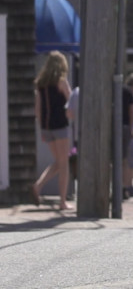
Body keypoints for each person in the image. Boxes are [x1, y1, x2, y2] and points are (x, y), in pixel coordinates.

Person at [31, 51, 73, 211]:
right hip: (60, 125)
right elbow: (71, 101)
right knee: (64, 164)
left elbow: (38, 108)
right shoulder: (61, 82)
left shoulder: (41, 84)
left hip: (47, 127)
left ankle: (38, 186)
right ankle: (62, 201)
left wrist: (42, 128)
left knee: (59, 162)